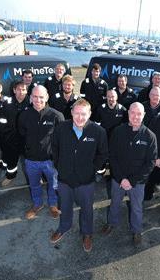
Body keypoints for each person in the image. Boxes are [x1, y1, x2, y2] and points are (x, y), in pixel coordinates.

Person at [50, 99, 108, 253]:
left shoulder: (98, 131)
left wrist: (92, 169)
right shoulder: (61, 128)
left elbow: (103, 154)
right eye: (77, 113)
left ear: (89, 114)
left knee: (87, 209)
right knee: (65, 206)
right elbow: (54, 149)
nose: (80, 117)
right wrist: (60, 166)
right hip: (65, 179)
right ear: (72, 113)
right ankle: (64, 227)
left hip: (86, 180)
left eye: (84, 114)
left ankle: (87, 233)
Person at [102, 102, 157, 246]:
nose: (136, 116)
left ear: (144, 115)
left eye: (139, 113)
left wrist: (131, 181)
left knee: (137, 207)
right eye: (133, 112)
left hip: (137, 182)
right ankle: (112, 223)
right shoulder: (118, 131)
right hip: (118, 179)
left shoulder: (150, 136)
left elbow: (150, 163)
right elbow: (112, 156)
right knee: (114, 203)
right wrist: (121, 178)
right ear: (128, 114)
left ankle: (137, 230)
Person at [18, 85, 64, 220]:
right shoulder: (24, 115)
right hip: (31, 161)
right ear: (31, 98)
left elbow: (62, 139)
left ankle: (53, 204)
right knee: (34, 185)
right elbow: (21, 136)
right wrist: (26, 153)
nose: (38, 100)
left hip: (51, 161)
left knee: (53, 184)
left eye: (41, 97)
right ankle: (37, 204)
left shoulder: (56, 116)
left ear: (47, 97)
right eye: (35, 97)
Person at [0, 81, 30, 187]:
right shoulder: (7, 104)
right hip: (12, 138)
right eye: (19, 89)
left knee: (31, 159)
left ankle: (36, 176)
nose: (21, 92)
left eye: (24, 89)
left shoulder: (32, 103)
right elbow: (2, 122)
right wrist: (6, 136)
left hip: (27, 138)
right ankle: (10, 176)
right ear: (14, 90)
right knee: (12, 159)